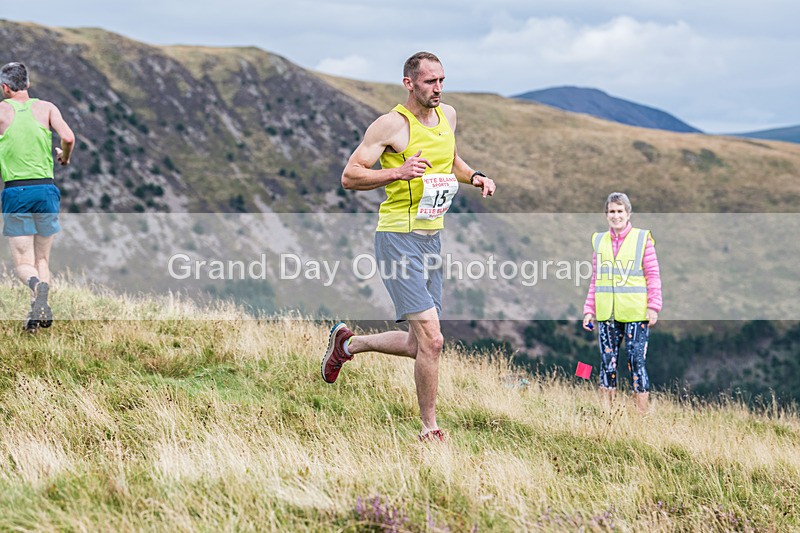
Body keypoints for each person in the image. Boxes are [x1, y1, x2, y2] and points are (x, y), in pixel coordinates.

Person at [321, 52, 496, 441]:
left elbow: (449, 161)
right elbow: (350, 175)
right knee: (434, 340)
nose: (438, 88)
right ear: (409, 83)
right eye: (430, 81)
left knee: (419, 344)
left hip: (432, 240)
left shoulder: (447, 116)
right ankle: (429, 429)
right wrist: (397, 172)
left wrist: (476, 176)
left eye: (442, 80)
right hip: (397, 239)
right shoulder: (391, 125)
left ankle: (348, 344)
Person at [0, 62, 74, 332]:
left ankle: (36, 288)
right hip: (46, 190)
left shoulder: (2, 111)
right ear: (28, 84)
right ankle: (37, 314)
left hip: (16, 191)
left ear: (5, 87)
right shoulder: (47, 108)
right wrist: (63, 158)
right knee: (42, 260)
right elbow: (68, 137)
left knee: (23, 263)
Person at [582, 192, 662, 414]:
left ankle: (641, 415)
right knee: (607, 363)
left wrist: (653, 307)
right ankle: (607, 416)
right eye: (611, 212)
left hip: (636, 313)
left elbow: (653, 275)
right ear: (606, 215)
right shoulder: (599, 241)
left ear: (628, 214)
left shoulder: (642, 239)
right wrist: (589, 310)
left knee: (636, 363)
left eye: (619, 211)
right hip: (607, 314)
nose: (615, 216)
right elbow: (595, 279)